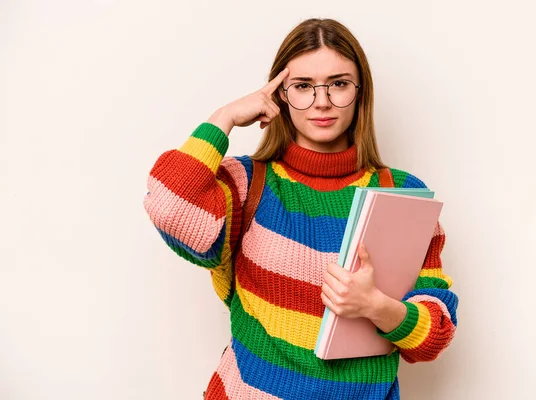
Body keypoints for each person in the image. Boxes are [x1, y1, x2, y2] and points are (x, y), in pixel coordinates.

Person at [144, 17, 458, 400]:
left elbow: (434, 334)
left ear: (360, 92)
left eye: (339, 84)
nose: (322, 101)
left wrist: (376, 307)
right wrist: (223, 117)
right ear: (280, 95)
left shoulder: (402, 195)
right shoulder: (248, 184)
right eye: (303, 86)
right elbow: (169, 205)